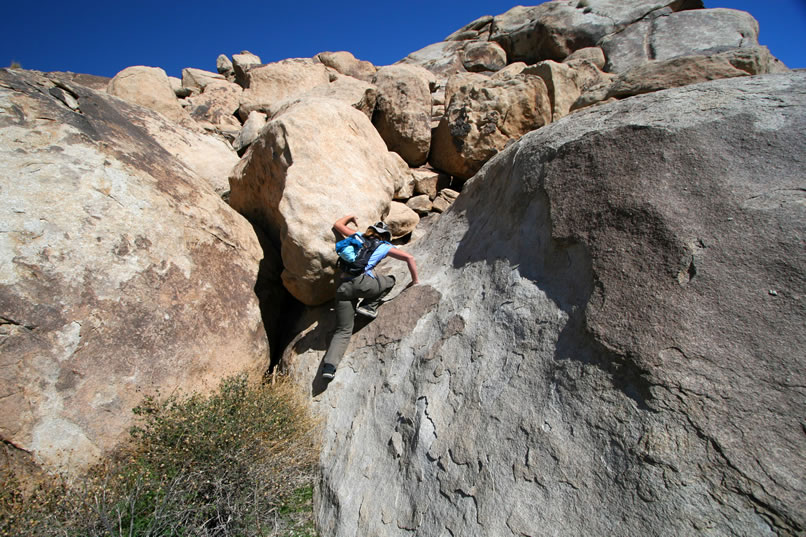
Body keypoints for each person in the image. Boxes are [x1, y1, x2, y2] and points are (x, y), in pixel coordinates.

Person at [322, 215, 419, 380]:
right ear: (385, 236)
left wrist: (351, 217)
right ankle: (369, 306)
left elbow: (337, 224)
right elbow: (409, 258)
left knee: (343, 330)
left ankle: (329, 367)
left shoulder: (357, 236)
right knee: (390, 281)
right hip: (362, 284)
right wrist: (415, 281)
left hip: (343, 287)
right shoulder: (384, 246)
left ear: (371, 231)